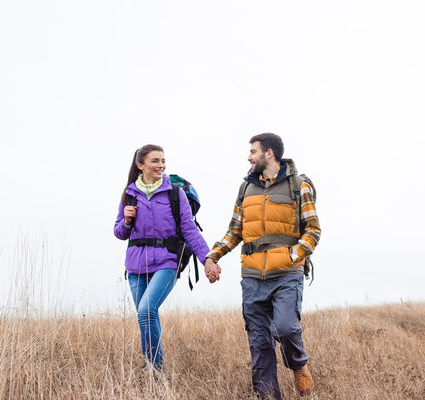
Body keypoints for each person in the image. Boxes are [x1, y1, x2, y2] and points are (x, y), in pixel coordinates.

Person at [204, 133, 321, 399]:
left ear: (269, 153)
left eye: (253, 152)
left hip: (286, 274)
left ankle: (298, 364)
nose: (249, 157)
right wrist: (213, 256)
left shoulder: (299, 185)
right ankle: (268, 396)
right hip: (253, 277)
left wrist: (293, 256)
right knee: (259, 343)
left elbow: (313, 230)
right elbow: (234, 231)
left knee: (286, 328)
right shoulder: (246, 188)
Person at [114, 144, 211, 372]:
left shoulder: (174, 192)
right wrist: (126, 221)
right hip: (136, 265)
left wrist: (208, 259)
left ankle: (154, 368)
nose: (161, 165)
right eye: (155, 161)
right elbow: (119, 233)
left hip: (167, 261)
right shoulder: (129, 194)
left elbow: (189, 230)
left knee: (146, 310)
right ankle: (155, 369)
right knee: (147, 317)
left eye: (163, 161)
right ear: (141, 165)